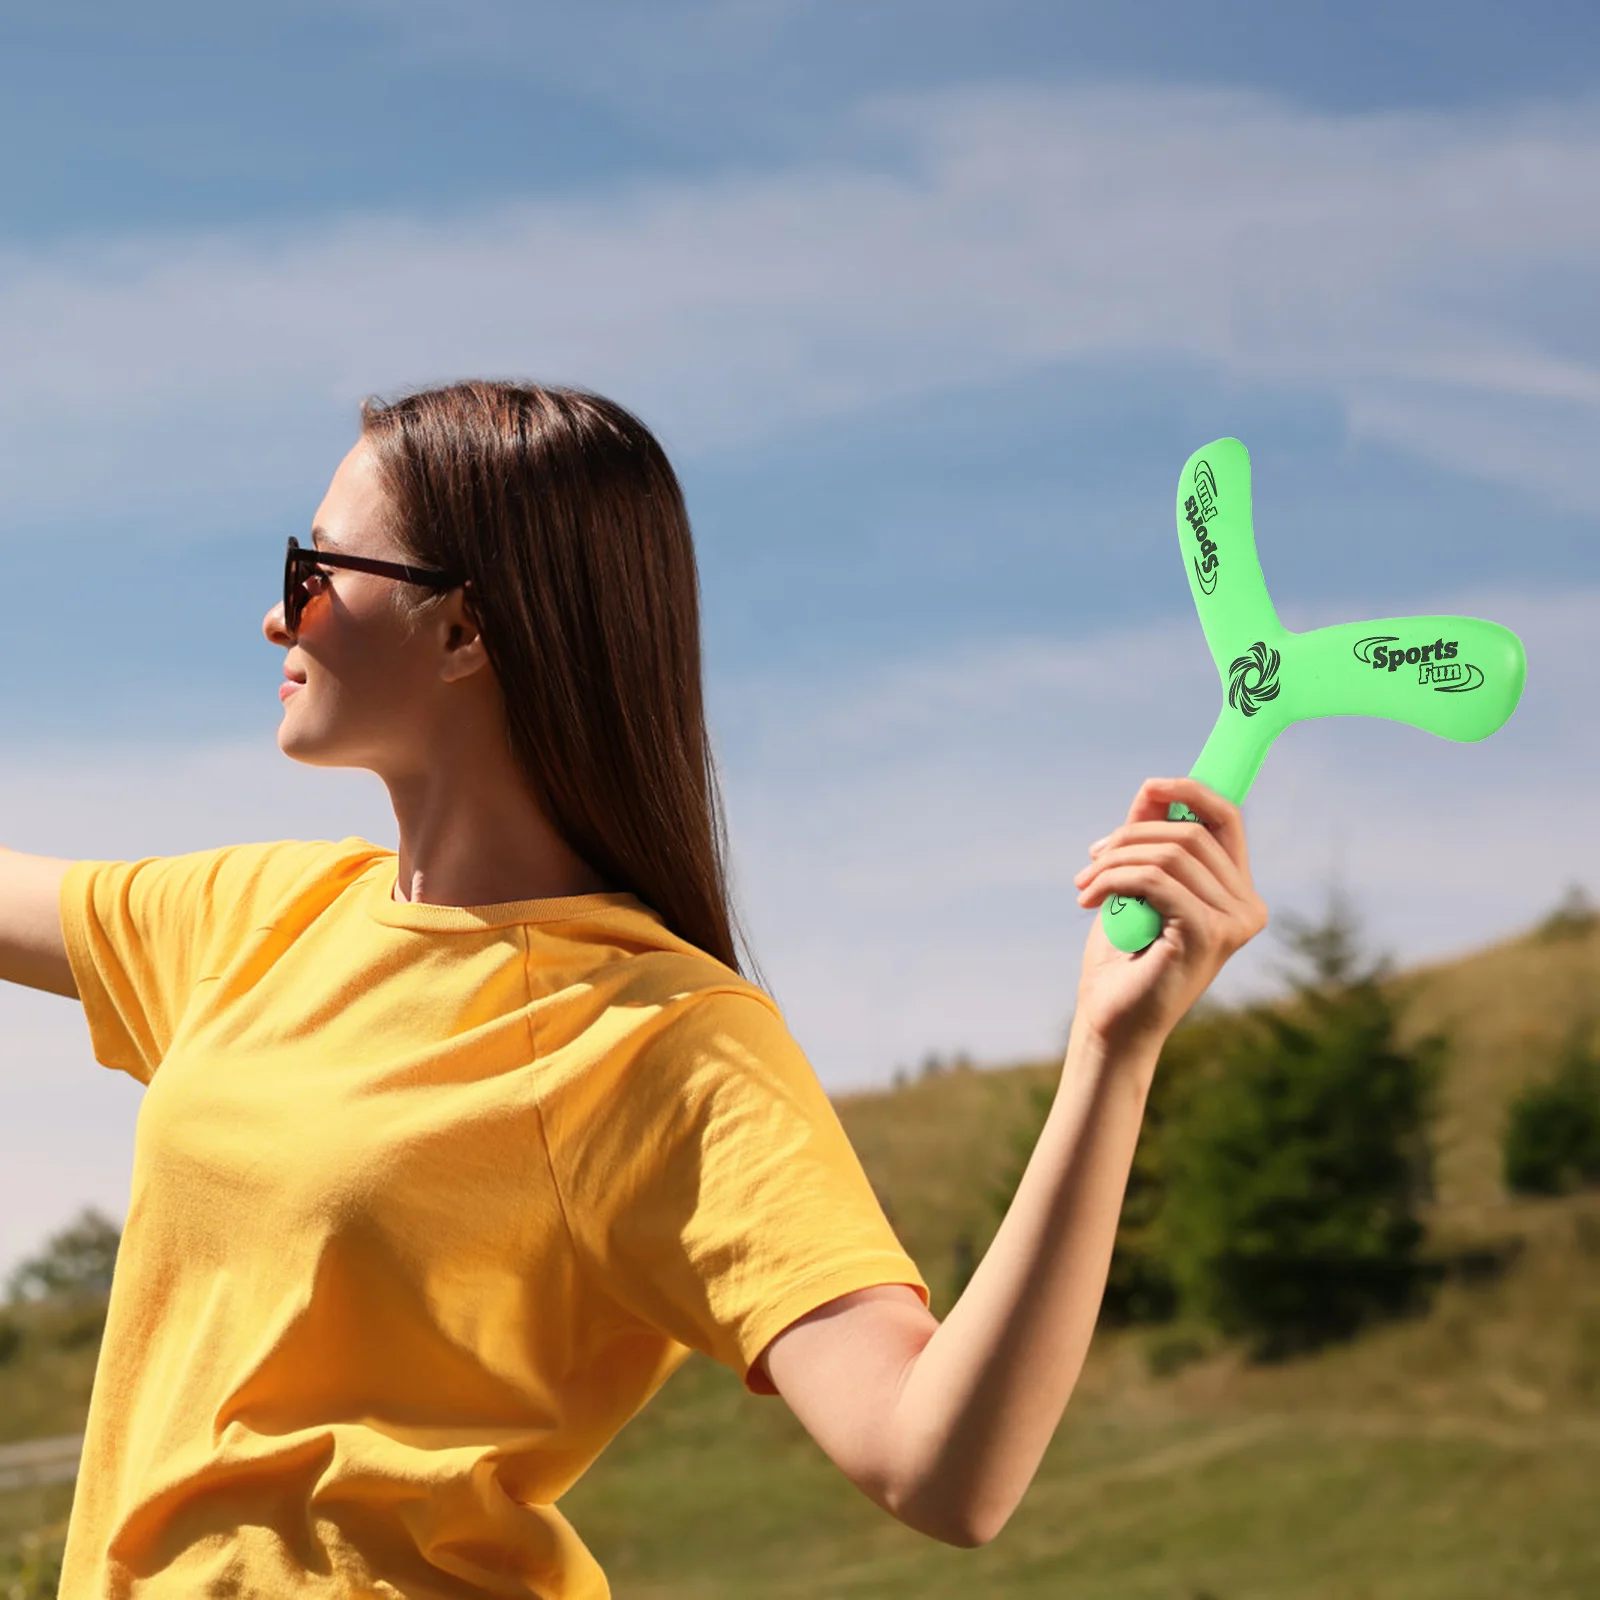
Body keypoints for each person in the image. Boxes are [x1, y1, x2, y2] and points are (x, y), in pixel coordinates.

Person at [0, 380, 1266, 1598]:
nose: (281, 618)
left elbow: (942, 1467)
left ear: (462, 629)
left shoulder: (661, 1040)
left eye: (314, 571)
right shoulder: (256, 917)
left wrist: (1113, 1054)